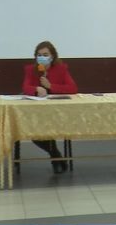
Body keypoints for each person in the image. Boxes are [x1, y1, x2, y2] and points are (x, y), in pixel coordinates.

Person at [22, 41, 78, 173]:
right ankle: (56, 155)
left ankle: (56, 159)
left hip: (57, 112)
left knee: (50, 128)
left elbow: (73, 88)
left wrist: (51, 86)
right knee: (34, 133)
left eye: (45, 55)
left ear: (52, 56)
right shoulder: (31, 70)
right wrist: (36, 89)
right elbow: (25, 87)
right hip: (38, 113)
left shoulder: (61, 69)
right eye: (39, 55)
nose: (42, 57)